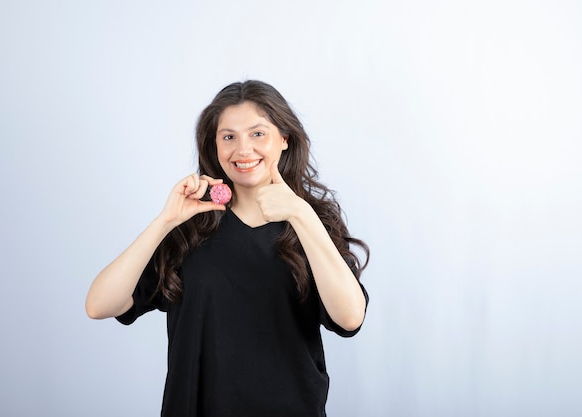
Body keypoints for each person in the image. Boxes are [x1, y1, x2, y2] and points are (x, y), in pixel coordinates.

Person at [85, 80, 370, 416]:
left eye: (258, 133)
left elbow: (350, 318)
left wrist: (300, 213)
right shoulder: (190, 228)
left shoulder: (312, 222)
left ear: (284, 139)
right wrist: (165, 221)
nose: (243, 149)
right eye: (229, 136)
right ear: (215, 145)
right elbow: (98, 305)